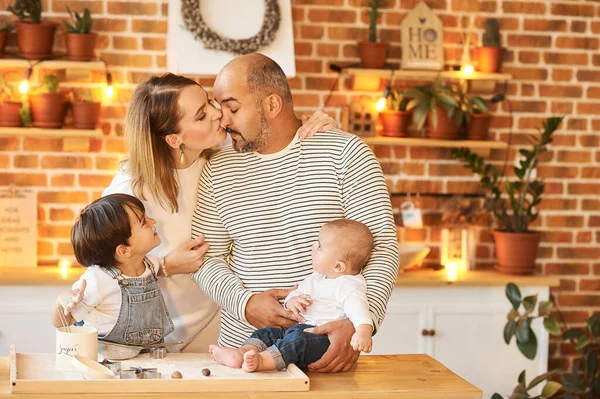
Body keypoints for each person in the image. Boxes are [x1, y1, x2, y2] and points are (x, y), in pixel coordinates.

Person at [191, 53, 400, 372]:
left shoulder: (345, 154)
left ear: (272, 106)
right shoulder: (217, 169)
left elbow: (382, 247)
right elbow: (205, 257)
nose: (224, 120)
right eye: (220, 109)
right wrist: (245, 304)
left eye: (233, 108)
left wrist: (358, 324)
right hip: (242, 354)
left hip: (324, 353)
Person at [101, 73, 338, 352]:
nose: (218, 114)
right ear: (175, 139)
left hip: (216, 328)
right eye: (202, 115)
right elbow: (103, 268)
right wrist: (165, 265)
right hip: (153, 334)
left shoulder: (222, 158)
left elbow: (276, 136)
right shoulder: (130, 189)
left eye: (210, 101)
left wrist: (316, 127)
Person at [209, 219, 375, 372]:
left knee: (297, 341)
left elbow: (358, 310)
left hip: (322, 337)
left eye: (319, 247)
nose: (312, 247)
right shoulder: (317, 277)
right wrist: (292, 301)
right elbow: (296, 292)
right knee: (268, 333)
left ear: (338, 266)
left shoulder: (349, 286)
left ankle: (262, 361)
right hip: (296, 328)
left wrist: (362, 331)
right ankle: (242, 352)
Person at [52, 194, 176, 345]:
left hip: (147, 358)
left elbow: (164, 265)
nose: (153, 221)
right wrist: (61, 301)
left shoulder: (150, 265)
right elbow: (63, 322)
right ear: (124, 250)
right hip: (106, 361)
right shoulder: (97, 280)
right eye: (144, 222)